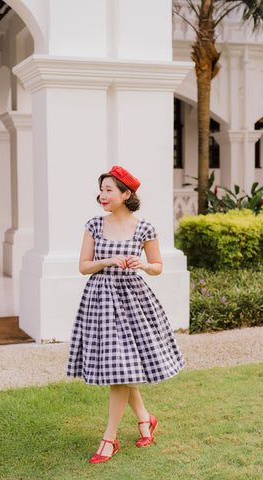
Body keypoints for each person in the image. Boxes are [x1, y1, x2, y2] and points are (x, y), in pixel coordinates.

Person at [67, 165, 185, 464]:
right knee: (122, 367)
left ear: (125, 194)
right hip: (102, 301)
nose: (102, 195)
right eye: (102, 189)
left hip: (134, 300)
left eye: (109, 190)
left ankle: (109, 438)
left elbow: (157, 266)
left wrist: (142, 264)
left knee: (122, 368)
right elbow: (83, 265)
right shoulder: (94, 224)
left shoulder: (145, 228)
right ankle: (144, 419)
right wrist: (106, 260)